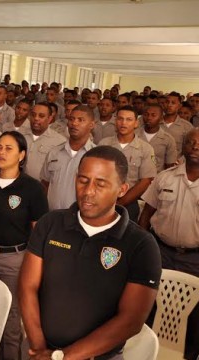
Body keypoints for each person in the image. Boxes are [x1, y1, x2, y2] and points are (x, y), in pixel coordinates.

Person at [19, 146, 162, 360]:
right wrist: (39, 348)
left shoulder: (141, 244)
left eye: (100, 183)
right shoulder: (50, 223)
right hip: (37, 349)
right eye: (83, 180)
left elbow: (131, 320)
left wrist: (61, 357)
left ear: (122, 189)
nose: (88, 191)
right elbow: (27, 286)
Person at [0, 131, 49, 360]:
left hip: (13, 259)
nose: (2, 152)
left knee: (10, 315)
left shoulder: (32, 188)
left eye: (9, 148)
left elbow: (39, 231)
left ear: (22, 155)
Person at [139, 128, 199, 360]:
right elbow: (147, 213)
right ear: (183, 145)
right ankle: (148, 348)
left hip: (194, 257)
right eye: (191, 142)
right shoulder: (165, 177)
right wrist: (145, 247)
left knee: (193, 310)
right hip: (161, 250)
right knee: (151, 301)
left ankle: (188, 354)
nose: (195, 146)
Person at [99, 106, 156, 220]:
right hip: (102, 200)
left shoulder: (145, 148)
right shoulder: (104, 144)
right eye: (120, 118)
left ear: (136, 123)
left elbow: (146, 181)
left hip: (129, 203)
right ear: (115, 121)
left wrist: (120, 203)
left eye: (129, 119)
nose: (123, 123)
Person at [40, 105, 96, 210]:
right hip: (53, 217)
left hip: (81, 219)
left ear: (92, 125)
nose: (74, 123)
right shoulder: (54, 152)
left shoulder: (96, 156)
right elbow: (45, 183)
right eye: (71, 119)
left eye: (81, 120)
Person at [20, 103, 67, 181]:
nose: (36, 118)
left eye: (41, 116)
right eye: (33, 115)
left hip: (42, 189)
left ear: (49, 119)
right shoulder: (20, 135)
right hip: (18, 185)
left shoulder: (60, 142)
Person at [138, 104, 177, 172]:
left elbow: (170, 166)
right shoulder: (134, 135)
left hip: (157, 178)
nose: (149, 118)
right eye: (146, 114)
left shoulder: (168, 139)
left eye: (153, 115)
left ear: (161, 118)